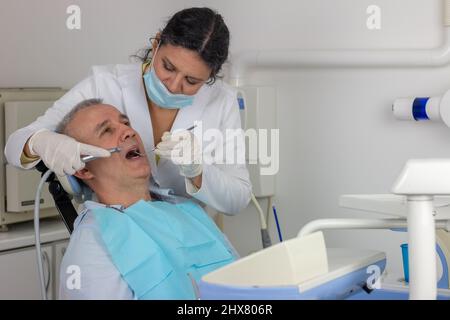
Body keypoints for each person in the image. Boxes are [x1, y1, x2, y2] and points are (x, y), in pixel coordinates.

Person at [4, 7, 251, 215]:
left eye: (192, 81)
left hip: (184, 238)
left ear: (210, 78)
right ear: (156, 44)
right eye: (168, 66)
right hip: (117, 236)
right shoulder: (104, 84)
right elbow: (15, 146)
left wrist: (197, 171)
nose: (174, 86)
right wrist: (42, 142)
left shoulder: (221, 101)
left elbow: (238, 199)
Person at [58, 99, 238, 299]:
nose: (129, 131)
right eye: (107, 130)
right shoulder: (92, 243)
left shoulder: (187, 210)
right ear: (83, 169)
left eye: (126, 123)